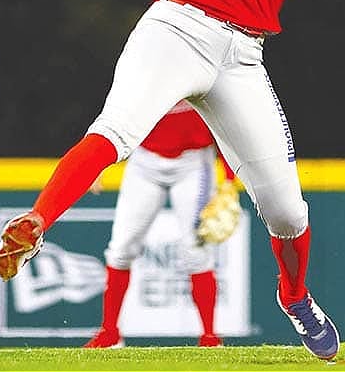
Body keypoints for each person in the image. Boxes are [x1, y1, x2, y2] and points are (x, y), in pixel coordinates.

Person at [0, 0, 340, 360]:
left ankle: (294, 296)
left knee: (286, 211)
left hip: (242, 57)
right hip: (177, 27)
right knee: (115, 129)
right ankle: (37, 220)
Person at [84, 100, 236, 349]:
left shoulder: (202, 75)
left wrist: (229, 180)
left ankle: (210, 337)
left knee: (196, 252)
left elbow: (224, 121)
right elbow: (117, 111)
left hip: (194, 161)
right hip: (145, 160)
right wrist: (96, 160)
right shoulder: (142, 75)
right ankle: (110, 333)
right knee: (121, 249)